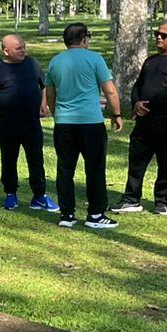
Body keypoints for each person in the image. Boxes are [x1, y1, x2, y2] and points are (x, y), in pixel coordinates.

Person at [44, 22, 123, 230]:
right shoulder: (95, 59)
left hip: (64, 123)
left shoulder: (55, 61)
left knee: (65, 168)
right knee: (95, 169)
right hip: (91, 123)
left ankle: (67, 214)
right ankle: (95, 214)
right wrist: (116, 114)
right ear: (84, 39)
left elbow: (50, 93)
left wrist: (57, 113)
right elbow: (110, 91)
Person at [113, 22, 167, 216]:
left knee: (166, 161)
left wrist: (149, 104)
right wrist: (136, 103)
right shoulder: (151, 60)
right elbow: (138, 85)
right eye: (157, 33)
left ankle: (161, 201)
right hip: (144, 119)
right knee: (137, 158)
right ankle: (131, 198)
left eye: (164, 35)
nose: (158, 37)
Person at [0, 34, 55, 212]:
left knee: (36, 160)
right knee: (8, 160)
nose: (23, 51)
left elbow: (44, 85)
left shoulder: (31, 63)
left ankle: (39, 196)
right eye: (19, 48)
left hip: (31, 123)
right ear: (6, 51)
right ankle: (10, 194)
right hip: (7, 125)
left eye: (24, 47)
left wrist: (44, 103)